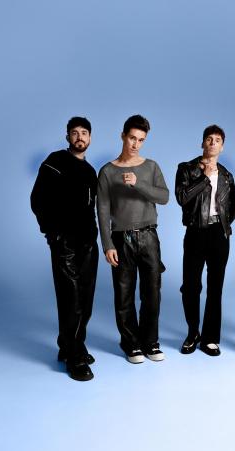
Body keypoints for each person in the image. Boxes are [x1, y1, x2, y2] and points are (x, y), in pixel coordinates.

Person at [31, 117, 99, 381]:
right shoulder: (55, 161)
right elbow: (37, 198)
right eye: (74, 133)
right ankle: (75, 356)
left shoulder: (90, 171)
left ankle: (70, 344)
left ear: (90, 138)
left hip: (88, 242)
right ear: (68, 137)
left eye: (84, 133)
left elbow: (91, 208)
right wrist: (53, 232)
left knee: (86, 298)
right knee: (70, 298)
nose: (79, 137)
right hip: (65, 242)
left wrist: (94, 235)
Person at [97, 115, 169, 363]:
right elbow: (102, 210)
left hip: (149, 236)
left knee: (152, 293)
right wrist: (107, 244)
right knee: (124, 293)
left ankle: (151, 342)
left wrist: (138, 184)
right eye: (132, 138)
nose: (136, 144)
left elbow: (164, 197)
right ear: (123, 136)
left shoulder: (151, 167)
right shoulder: (107, 171)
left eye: (141, 140)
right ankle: (131, 343)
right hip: (121, 238)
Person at [175, 125, 235, 356]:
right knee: (190, 286)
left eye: (217, 140)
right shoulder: (187, 169)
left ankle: (210, 338)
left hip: (219, 234)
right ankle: (193, 333)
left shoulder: (227, 175)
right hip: (195, 232)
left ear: (222, 146)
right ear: (202, 143)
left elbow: (233, 207)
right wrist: (205, 177)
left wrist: (222, 224)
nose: (212, 143)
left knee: (215, 287)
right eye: (209, 139)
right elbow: (182, 198)